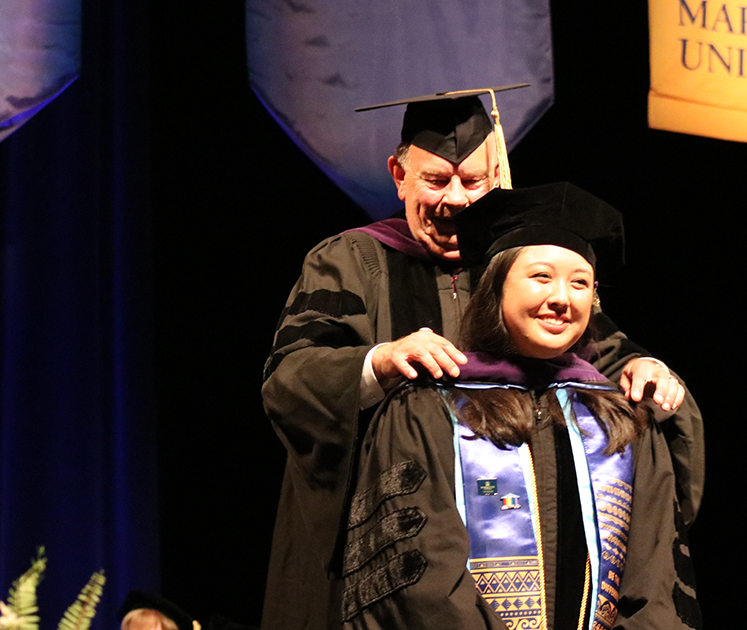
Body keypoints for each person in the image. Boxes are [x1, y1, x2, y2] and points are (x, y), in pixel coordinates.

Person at [261, 93, 703, 630]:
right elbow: (290, 378)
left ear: (500, 180)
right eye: (436, 180)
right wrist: (379, 360)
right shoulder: (351, 260)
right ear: (398, 175)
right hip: (381, 552)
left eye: (474, 183)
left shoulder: (522, 268)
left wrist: (644, 367)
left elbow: (598, 352)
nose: (458, 201)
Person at [341, 183, 698, 630]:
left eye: (580, 283)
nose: (562, 299)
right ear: (496, 288)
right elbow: (419, 578)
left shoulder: (621, 421)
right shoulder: (427, 410)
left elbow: (655, 582)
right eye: (541, 277)